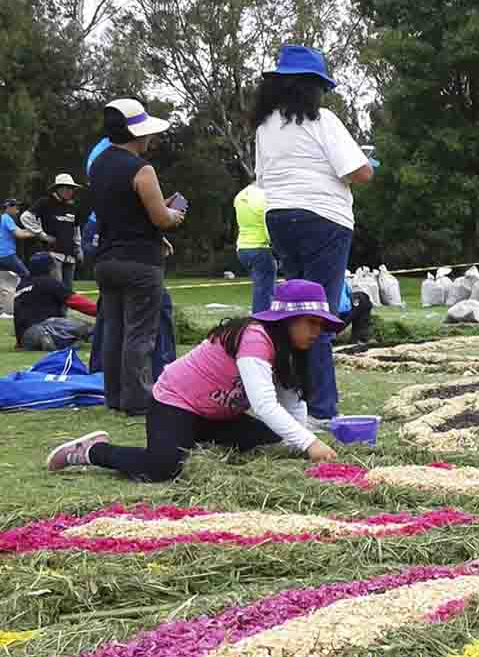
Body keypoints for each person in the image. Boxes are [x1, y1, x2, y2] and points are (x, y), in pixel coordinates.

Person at [46, 279, 340, 481]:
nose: (317, 331)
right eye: (311, 322)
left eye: (320, 324)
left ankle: (193, 440)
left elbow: (291, 399)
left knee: (275, 440)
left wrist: (302, 442)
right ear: (287, 321)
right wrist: (310, 444)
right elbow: (264, 405)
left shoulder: (289, 350)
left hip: (215, 415)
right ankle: (91, 452)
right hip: (175, 403)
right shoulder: (255, 338)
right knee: (162, 468)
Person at [254, 44, 373, 428]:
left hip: (279, 216)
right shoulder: (323, 121)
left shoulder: (265, 126)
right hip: (324, 219)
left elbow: (263, 177)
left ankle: (292, 400)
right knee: (318, 315)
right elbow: (360, 172)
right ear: (313, 88)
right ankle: (322, 409)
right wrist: (369, 162)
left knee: (294, 312)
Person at [89, 98, 185, 415]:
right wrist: (174, 215)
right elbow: (160, 217)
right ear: (137, 133)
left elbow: (121, 213)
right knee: (140, 333)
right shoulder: (141, 169)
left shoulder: (98, 165)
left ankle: (113, 396)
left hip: (105, 260)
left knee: (113, 330)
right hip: (140, 263)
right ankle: (137, 400)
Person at [13, 252, 98, 350]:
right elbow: (78, 303)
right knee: (88, 328)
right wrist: (102, 311)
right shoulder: (50, 283)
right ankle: (58, 340)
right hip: (44, 328)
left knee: (66, 322)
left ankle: (56, 341)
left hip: (24, 338)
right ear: (49, 268)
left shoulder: (22, 285)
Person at [21, 174, 83, 287]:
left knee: (68, 292)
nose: (71, 191)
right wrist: (42, 235)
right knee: (56, 289)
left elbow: (76, 229)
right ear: (58, 188)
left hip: (70, 255)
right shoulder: (45, 202)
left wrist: (79, 248)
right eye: (67, 188)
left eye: (72, 188)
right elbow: (25, 217)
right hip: (53, 254)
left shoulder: (73, 206)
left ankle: (65, 306)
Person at [233, 182, 277, 312]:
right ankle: (261, 324)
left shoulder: (240, 196)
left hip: (243, 248)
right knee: (264, 292)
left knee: (262, 288)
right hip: (260, 248)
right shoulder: (263, 197)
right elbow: (266, 225)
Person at [1, 199, 44, 281]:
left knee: (6, 279)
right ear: (8, 207)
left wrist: (34, 229)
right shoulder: (7, 218)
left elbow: (20, 231)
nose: (18, 208)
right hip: (7, 254)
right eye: (15, 206)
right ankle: (26, 292)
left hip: (3, 255)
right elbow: (20, 235)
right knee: (26, 274)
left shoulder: (4, 218)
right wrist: (38, 233)